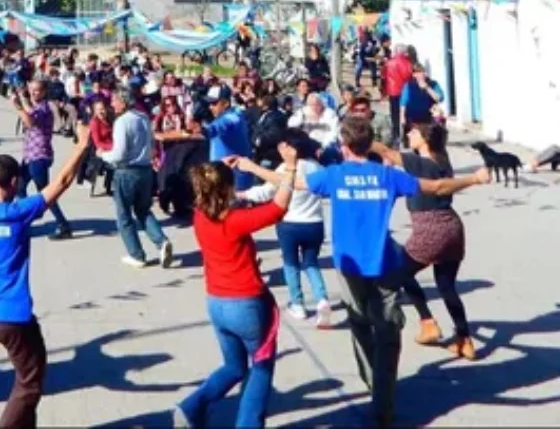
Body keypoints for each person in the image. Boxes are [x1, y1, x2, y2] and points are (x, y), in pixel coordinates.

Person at [233, 116, 491, 428]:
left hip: (347, 264)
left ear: (344, 146)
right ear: (370, 145)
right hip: (381, 262)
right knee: (387, 331)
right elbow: (437, 186)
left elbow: (292, 184)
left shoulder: (334, 175)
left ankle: (372, 381)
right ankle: (383, 400)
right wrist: (474, 179)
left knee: (359, 324)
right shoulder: (387, 176)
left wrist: (253, 168)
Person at [0, 123, 90, 428]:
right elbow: (63, 181)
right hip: (11, 315)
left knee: (33, 364)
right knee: (30, 382)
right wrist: (81, 145)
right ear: (14, 182)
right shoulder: (17, 212)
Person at [173, 159, 293, 428]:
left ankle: (191, 408)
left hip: (217, 302)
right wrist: (291, 168)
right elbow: (278, 208)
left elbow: (220, 201)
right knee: (261, 368)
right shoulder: (236, 221)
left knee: (234, 367)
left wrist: (218, 173)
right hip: (247, 304)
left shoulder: (200, 216)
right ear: (228, 188)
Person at [372, 125, 476, 360]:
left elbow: (387, 153)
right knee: (446, 286)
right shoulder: (442, 159)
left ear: (425, 139)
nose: (408, 135)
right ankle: (464, 339)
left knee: (399, 273)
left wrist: (362, 138)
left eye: (414, 133)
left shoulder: (422, 163)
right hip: (453, 226)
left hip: (430, 228)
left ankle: (427, 322)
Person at [239, 131, 332, 326]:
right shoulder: (317, 168)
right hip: (314, 222)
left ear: (293, 149)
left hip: (289, 222)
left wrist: (244, 194)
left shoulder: (285, 169)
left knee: (290, 263)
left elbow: (267, 191)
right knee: (311, 263)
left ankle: (297, 303)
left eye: (284, 146)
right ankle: (322, 298)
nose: (281, 149)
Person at [99, 90, 174, 269]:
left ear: (123, 103)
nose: (112, 105)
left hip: (126, 171)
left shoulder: (122, 122)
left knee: (124, 215)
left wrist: (103, 155)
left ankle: (136, 254)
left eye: (115, 101)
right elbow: (151, 144)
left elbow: (120, 153)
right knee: (143, 210)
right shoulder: (143, 117)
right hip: (145, 169)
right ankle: (161, 241)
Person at [10, 81, 73, 240]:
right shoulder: (35, 106)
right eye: (31, 90)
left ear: (44, 92)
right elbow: (29, 109)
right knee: (19, 186)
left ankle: (63, 225)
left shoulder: (44, 108)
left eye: (37, 91)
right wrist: (22, 98)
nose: (33, 93)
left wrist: (17, 106)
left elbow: (30, 121)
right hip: (29, 156)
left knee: (45, 193)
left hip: (39, 156)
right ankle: (24, 219)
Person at [201, 85, 254, 189]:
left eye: (214, 103)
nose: (210, 107)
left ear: (225, 103)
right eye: (209, 103)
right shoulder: (228, 115)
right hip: (223, 176)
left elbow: (219, 127)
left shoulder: (233, 118)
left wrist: (204, 130)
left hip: (234, 180)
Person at [399, 64, 445, 133]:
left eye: (423, 72)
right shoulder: (409, 86)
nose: (421, 74)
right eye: (418, 72)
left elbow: (440, 98)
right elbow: (403, 103)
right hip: (412, 120)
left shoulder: (433, 84)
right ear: (414, 75)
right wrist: (402, 117)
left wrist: (427, 88)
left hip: (428, 119)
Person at [382, 45, 414, 143]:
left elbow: (384, 77)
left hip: (392, 91)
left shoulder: (389, 63)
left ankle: (396, 135)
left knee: (394, 114)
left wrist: (384, 91)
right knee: (406, 114)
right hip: (405, 91)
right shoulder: (408, 63)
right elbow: (409, 76)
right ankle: (406, 136)